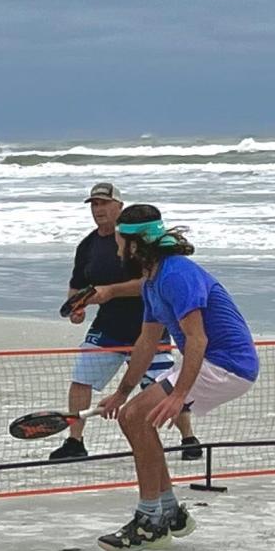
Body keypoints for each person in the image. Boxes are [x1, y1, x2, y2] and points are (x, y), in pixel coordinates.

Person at [94, 203, 259, 551]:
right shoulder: (154, 280)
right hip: (208, 361)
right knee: (131, 415)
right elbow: (147, 342)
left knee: (138, 417)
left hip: (227, 364)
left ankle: (150, 520)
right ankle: (168, 512)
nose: (117, 248)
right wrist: (121, 393)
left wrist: (177, 394)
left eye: (122, 241)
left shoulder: (175, 275)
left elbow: (198, 339)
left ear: (137, 244)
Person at [50, 182, 201, 461]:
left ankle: (188, 438)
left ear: (119, 206)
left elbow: (152, 281)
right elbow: (77, 286)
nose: (99, 210)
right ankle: (75, 442)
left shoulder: (138, 243)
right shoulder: (87, 246)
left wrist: (111, 292)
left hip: (150, 324)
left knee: (162, 385)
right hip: (107, 327)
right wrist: (77, 307)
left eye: (104, 204)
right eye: (94, 204)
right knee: (81, 380)